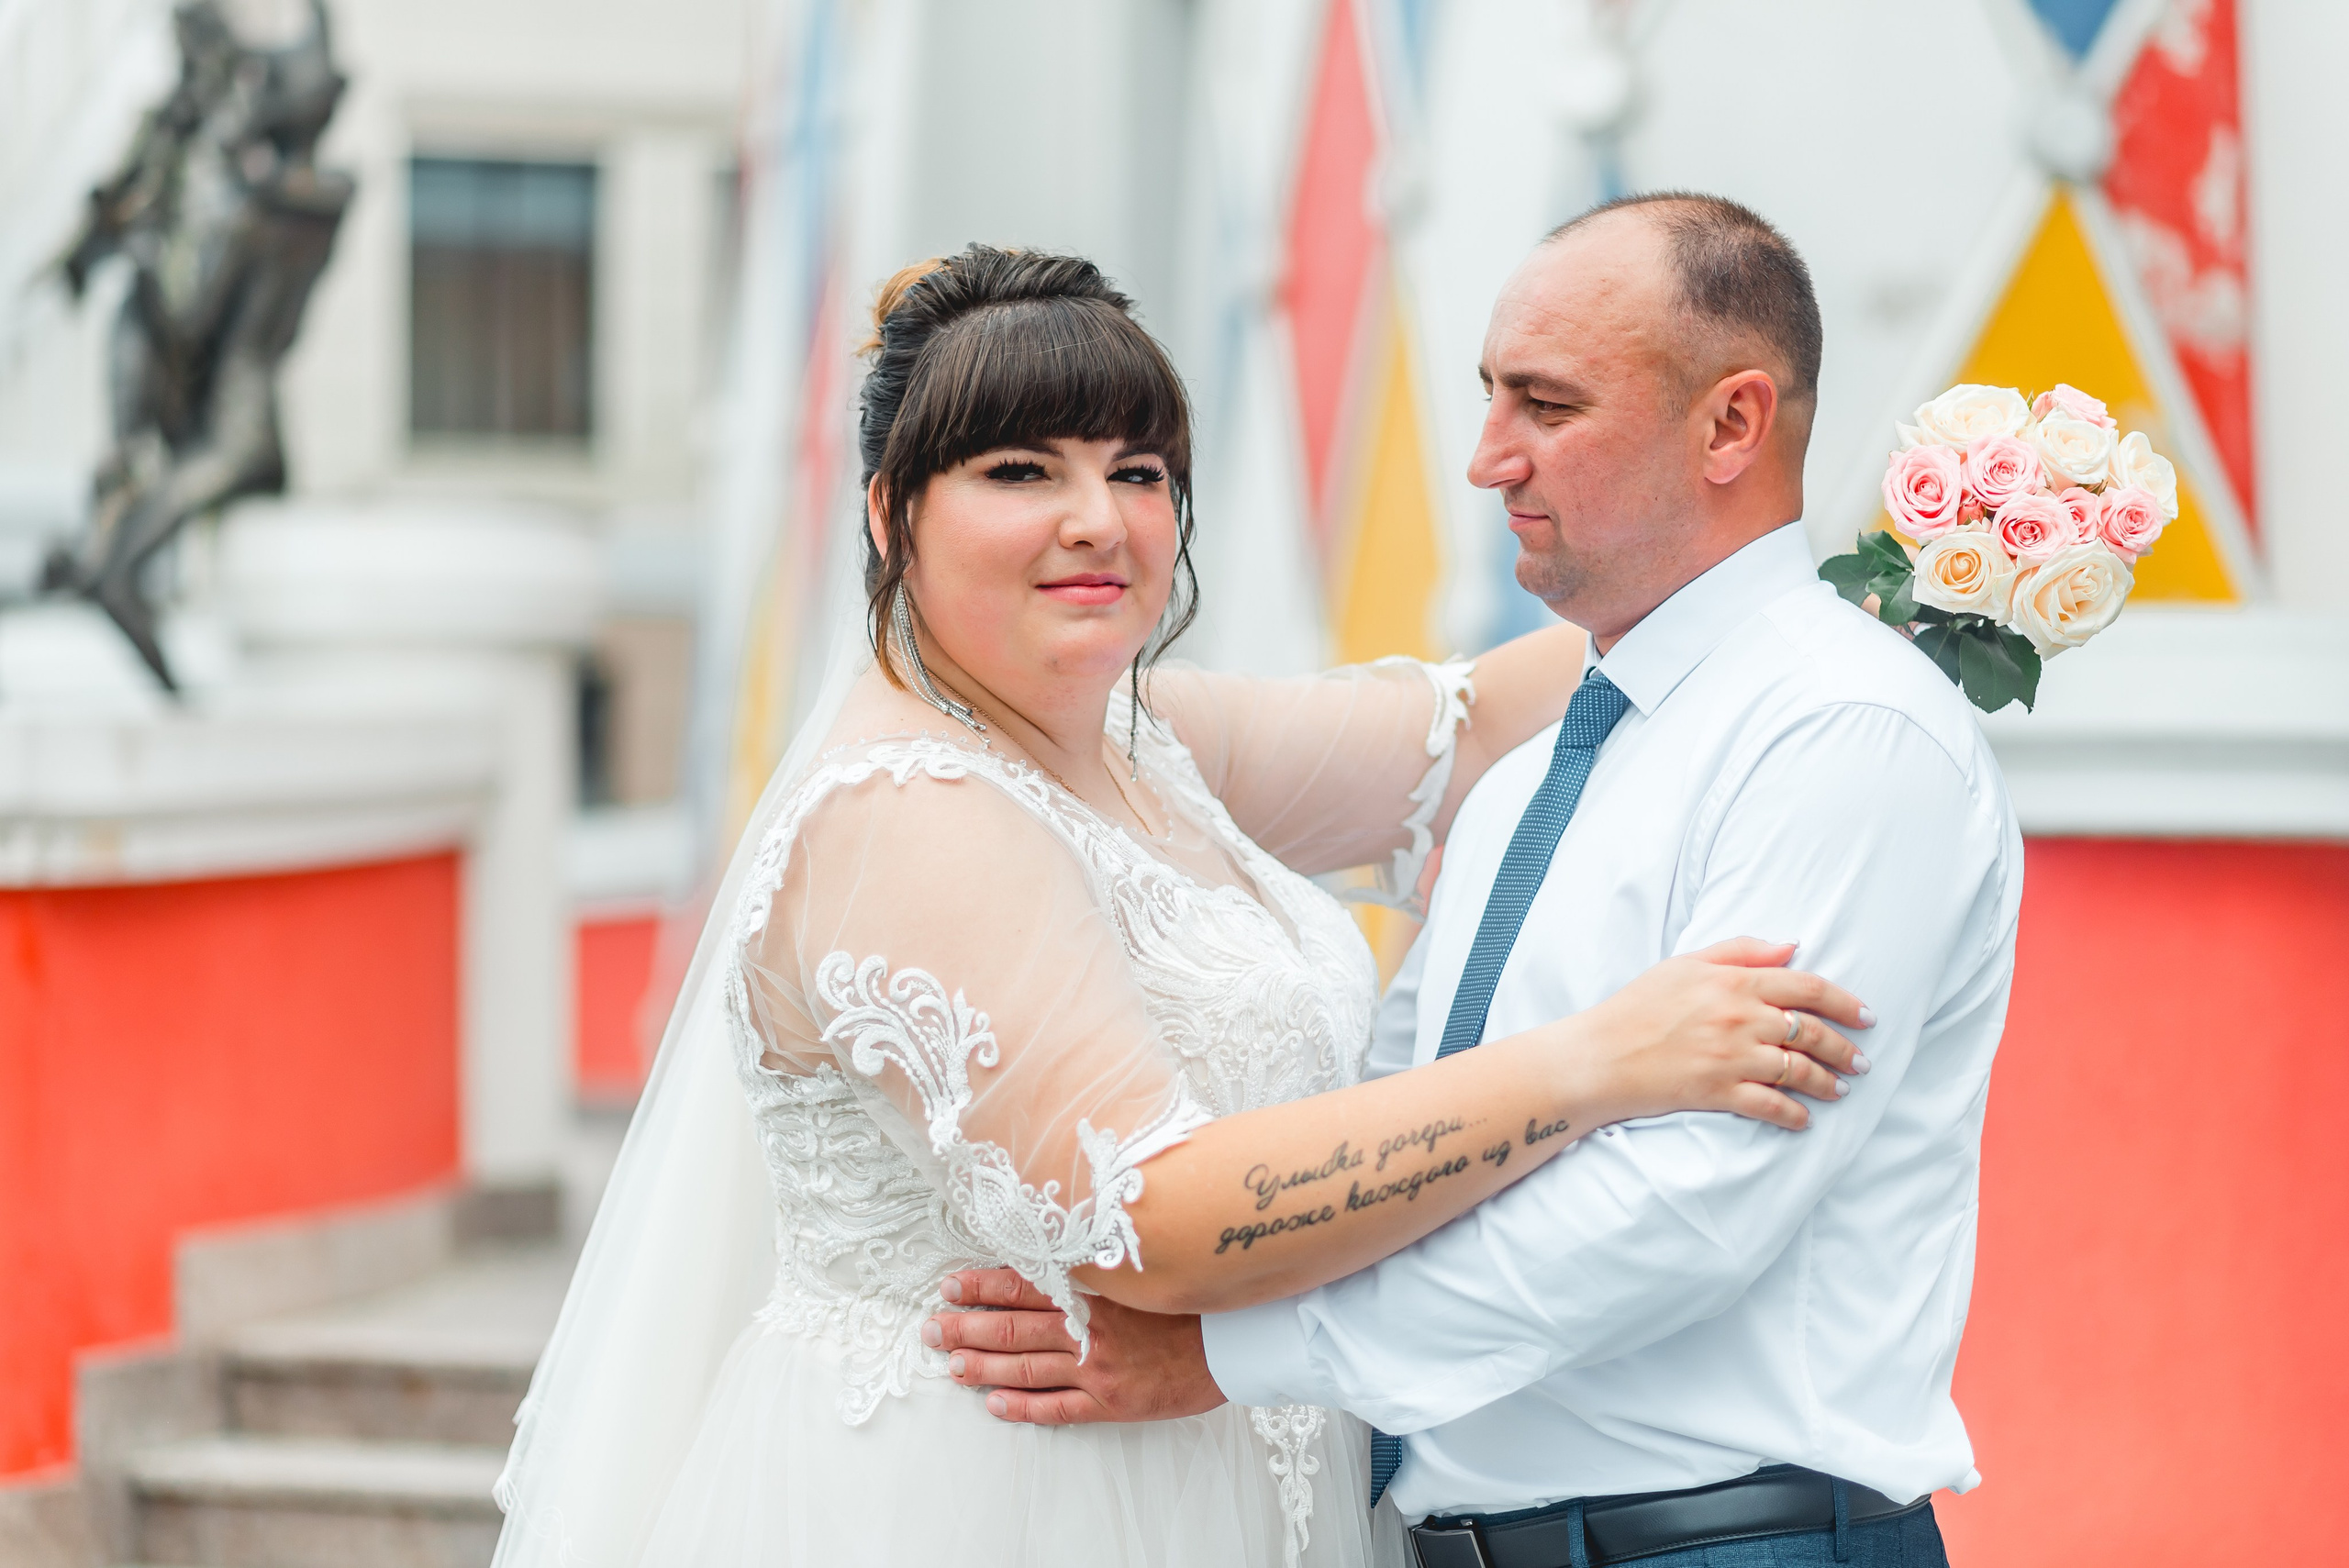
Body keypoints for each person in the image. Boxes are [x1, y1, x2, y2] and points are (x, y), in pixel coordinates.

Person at [490, 243, 1869, 1568]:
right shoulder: (909, 813)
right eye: (1021, 470)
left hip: (1219, 1475)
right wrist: (1592, 1066)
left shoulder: (1142, 744)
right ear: (888, 512)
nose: (1099, 518)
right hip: (996, 1495)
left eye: (1138, 472)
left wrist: (1895, 564)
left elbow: (1468, 725)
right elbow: (1158, 1216)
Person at [931, 197, 2023, 1568]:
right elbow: (1408, 1130)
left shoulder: (1842, 734)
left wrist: (1224, 1355)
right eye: (1490, 394)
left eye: (1546, 405)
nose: (1487, 458)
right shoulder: (1527, 783)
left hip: (1725, 1541)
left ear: (1731, 426)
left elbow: (1688, 1208)